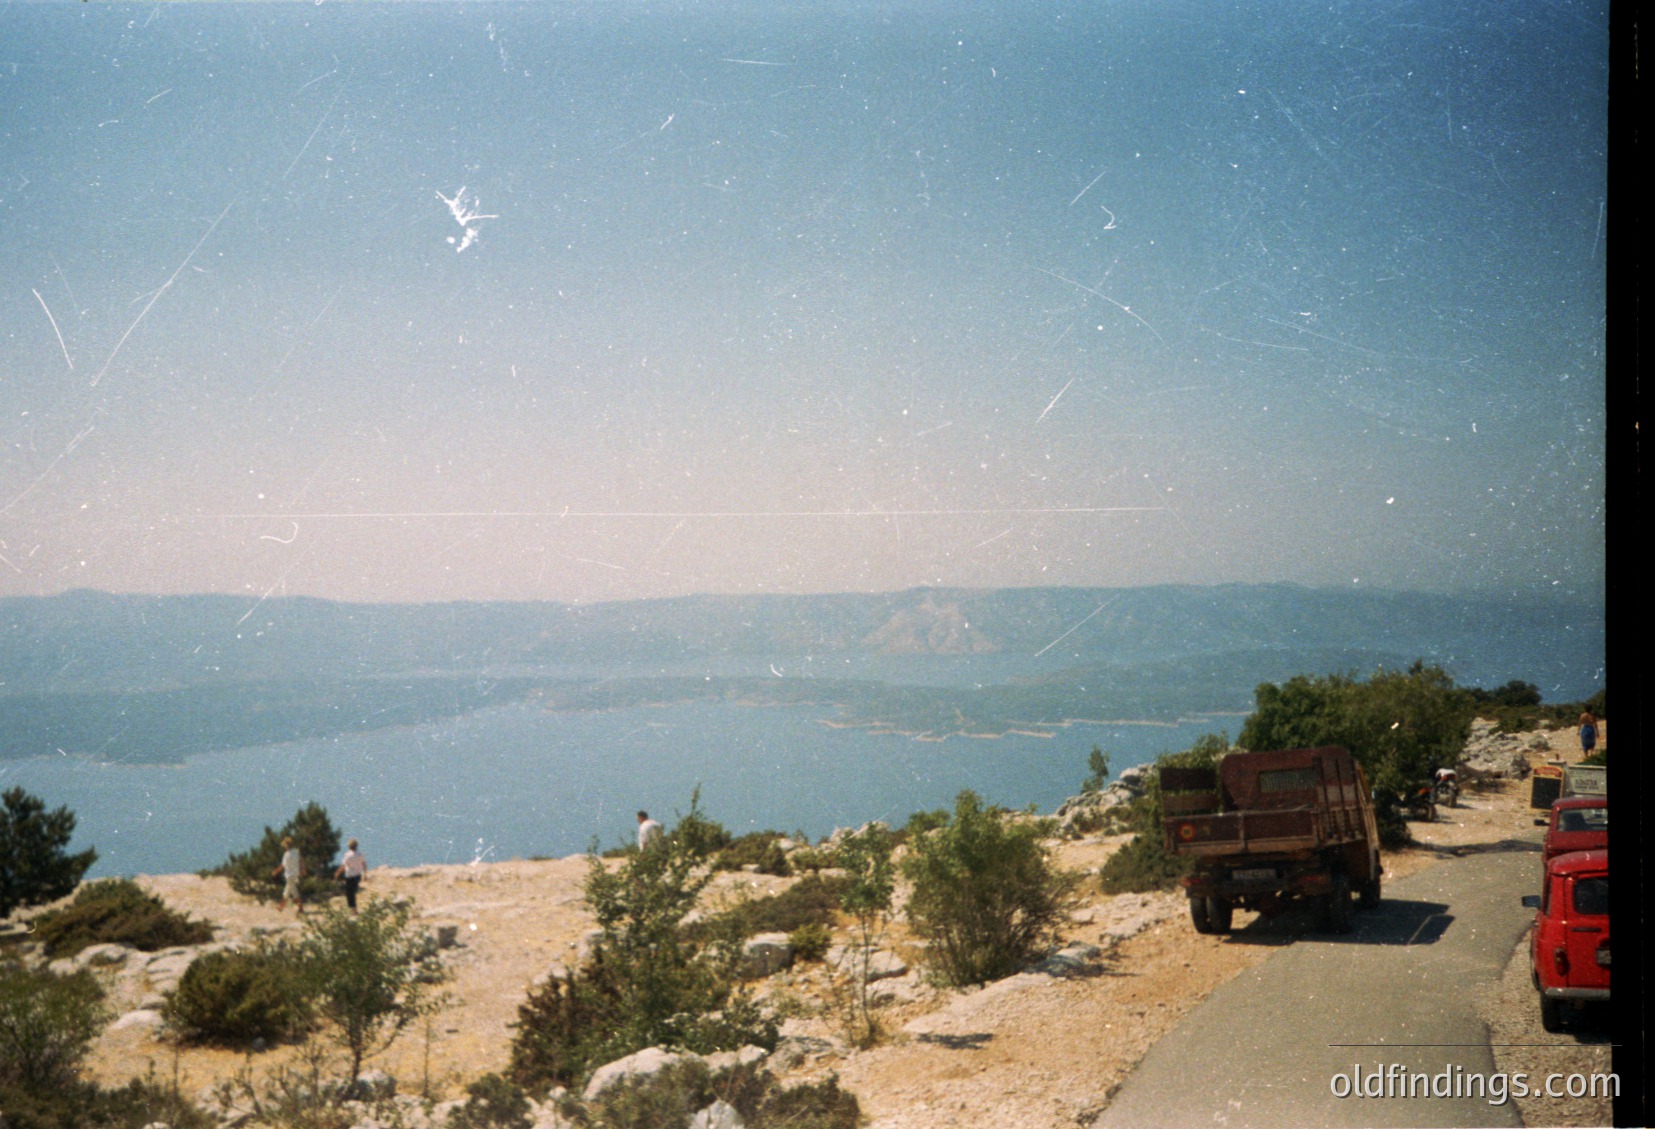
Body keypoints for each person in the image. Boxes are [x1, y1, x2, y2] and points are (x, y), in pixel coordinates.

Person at [272, 836, 304, 913]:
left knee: (293, 892)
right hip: (295, 874)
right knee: (289, 891)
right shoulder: (296, 851)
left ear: (287, 845)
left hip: (289, 875)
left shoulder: (287, 854)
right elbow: (301, 861)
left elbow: (283, 865)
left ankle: (300, 908)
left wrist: (275, 871)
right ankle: (281, 906)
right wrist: (302, 869)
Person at [335, 838, 367, 912]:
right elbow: (364, 864)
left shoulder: (347, 855)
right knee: (352, 892)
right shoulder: (360, 854)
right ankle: (353, 908)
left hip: (350, 876)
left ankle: (353, 909)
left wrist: (337, 873)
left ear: (349, 846)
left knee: (350, 893)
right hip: (358, 875)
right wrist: (365, 874)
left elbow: (343, 866)